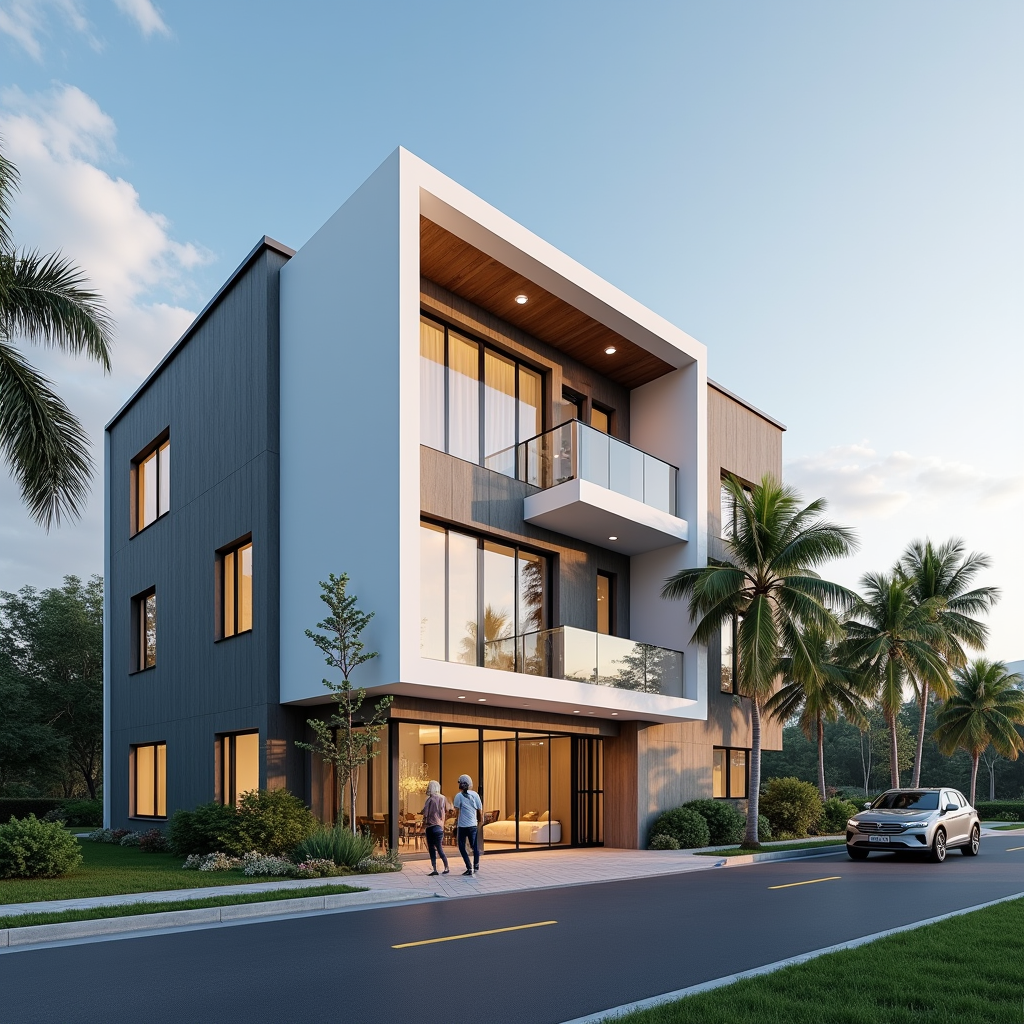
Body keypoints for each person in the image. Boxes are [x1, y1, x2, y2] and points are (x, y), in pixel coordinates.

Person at [453, 773, 483, 875]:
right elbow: (480, 810)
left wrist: (455, 822)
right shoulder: (475, 795)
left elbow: (456, 811)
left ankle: (469, 867)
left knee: (462, 847)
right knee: (474, 846)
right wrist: (480, 822)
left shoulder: (458, 796)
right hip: (473, 825)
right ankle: (476, 865)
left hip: (462, 825)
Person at [421, 780, 450, 877]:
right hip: (439, 827)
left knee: (431, 849)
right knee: (440, 848)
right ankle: (446, 867)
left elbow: (425, 814)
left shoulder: (429, 800)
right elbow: (445, 811)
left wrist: (422, 826)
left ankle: (435, 869)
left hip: (430, 826)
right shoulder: (443, 798)